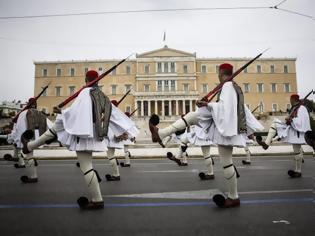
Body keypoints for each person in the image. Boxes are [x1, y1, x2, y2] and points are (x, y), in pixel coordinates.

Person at [149, 63, 263, 208]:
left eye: (218, 73)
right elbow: (227, 108)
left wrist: (207, 105)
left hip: (226, 127)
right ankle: (234, 197)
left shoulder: (228, 87)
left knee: (194, 116)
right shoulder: (234, 87)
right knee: (227, 162)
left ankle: (162, 133)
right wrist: (208, 104)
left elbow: (224, 108)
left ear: (221, 73)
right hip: (229, 127)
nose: (217, 75)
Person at [22, 70, 111, 209]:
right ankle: (31, 146)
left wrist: (61, 111)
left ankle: (97, 199)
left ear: (86, 78)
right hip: (92, 130)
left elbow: (76, 111)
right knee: (58, 127)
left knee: (86, 167)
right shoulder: (102, 95)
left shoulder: (85, 93)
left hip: (83, 132)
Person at [256, 94, 311, 178]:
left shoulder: (302, 108)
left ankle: (298, 171)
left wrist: (291, 119)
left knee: (297, 150)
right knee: (275, 124)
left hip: (298, 131)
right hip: (292, 128)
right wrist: (289, 119)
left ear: (293, 99)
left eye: (291, 99)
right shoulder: (294, 108)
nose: (290, 101)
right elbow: (291, 117)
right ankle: (266, 144)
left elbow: (302, 121)